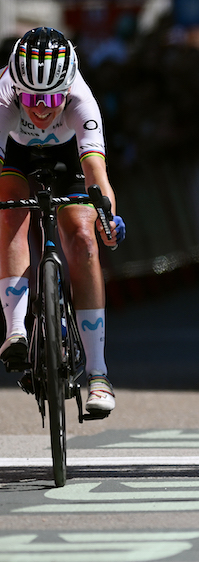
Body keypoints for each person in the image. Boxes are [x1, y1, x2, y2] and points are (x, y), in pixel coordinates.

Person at [0, 27, 124, 414]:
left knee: (85, 241)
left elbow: (96, 176)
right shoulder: (3, 98)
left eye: (52, 98)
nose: (40, 109)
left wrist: (107, 219)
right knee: (11, 216)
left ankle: (98, 375)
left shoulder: (81, 99)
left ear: (66, 90)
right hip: (16, 160)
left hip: (68, 159)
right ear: (16, 88)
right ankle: (16, 331)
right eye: (31, 99)